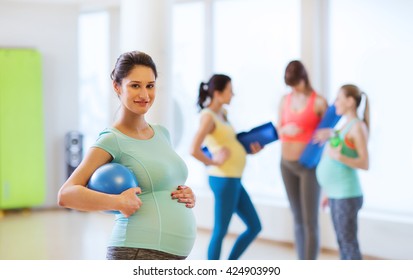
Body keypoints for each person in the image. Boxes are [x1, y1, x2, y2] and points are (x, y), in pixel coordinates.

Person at [58, 51, 197, 260]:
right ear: (117, 86)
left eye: (150, 85)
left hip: (172, 254)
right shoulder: (112, 139)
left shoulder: (162, 133)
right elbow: (66, 194)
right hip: (137, 251)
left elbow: (163, 184)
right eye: (135, 85)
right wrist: (118, 202)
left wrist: (186, 194)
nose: (144, 94)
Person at [190, 74, 262, 260]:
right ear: (218, 93)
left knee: (255, 226)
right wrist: (213, 161)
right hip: (223, 178)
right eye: (230, 90)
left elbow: (229, 143)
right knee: (221, 230)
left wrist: (247, 150)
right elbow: (193, 149)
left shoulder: (223, 114)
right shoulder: (208, 117)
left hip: (233, 178)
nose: (233, 94)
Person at [277, 60, 328, 259]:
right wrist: (284, 130)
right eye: (290, 86)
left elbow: (328, 133)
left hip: (309, 167)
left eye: (296, 84)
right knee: (297, 218)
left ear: (303, 79)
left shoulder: (319, 102)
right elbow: (277, 129)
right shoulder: (285, 100)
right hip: (286, 164)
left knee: (310, 221)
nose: (293, 89)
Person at [314, 84, 370, 260]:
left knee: (348, 244)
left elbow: (365, 163)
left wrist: (340, 158)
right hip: (336, 194)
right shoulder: (346, 125)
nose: (334, 102)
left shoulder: (357, 127)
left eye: (338, 98)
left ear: (350, 101)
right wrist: (327, 192)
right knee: (342, 242)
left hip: (347, 194)